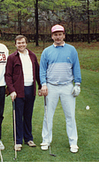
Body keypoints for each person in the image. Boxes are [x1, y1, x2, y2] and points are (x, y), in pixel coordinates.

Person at [40, 24, 81, 153]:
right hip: (51, 87)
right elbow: (42, 70)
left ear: (64, 35)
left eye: (60, 34)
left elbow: (76, 67)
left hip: (67, 87)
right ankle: (46, 140)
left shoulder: (72, 50)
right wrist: (43, 84)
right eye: (55, 35)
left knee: (70, 116)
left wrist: (77, 84)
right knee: (48, 115)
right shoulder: (46, 51)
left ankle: (73, 142)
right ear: (52, 36)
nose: (58, 37)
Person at [5, 35, 42, 151]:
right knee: (18, 116)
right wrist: (11, 90)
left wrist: (41, 86)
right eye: (18, 43)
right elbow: (8, 75)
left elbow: (37, 72)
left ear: (26, 43)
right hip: (18, 91)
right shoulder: (12, 57)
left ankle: (28, 138)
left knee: (28, 115)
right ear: (15, 45)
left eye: (23, 42)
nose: (21, 45)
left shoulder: (32, 56)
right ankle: (18, 141)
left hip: (30, 89)